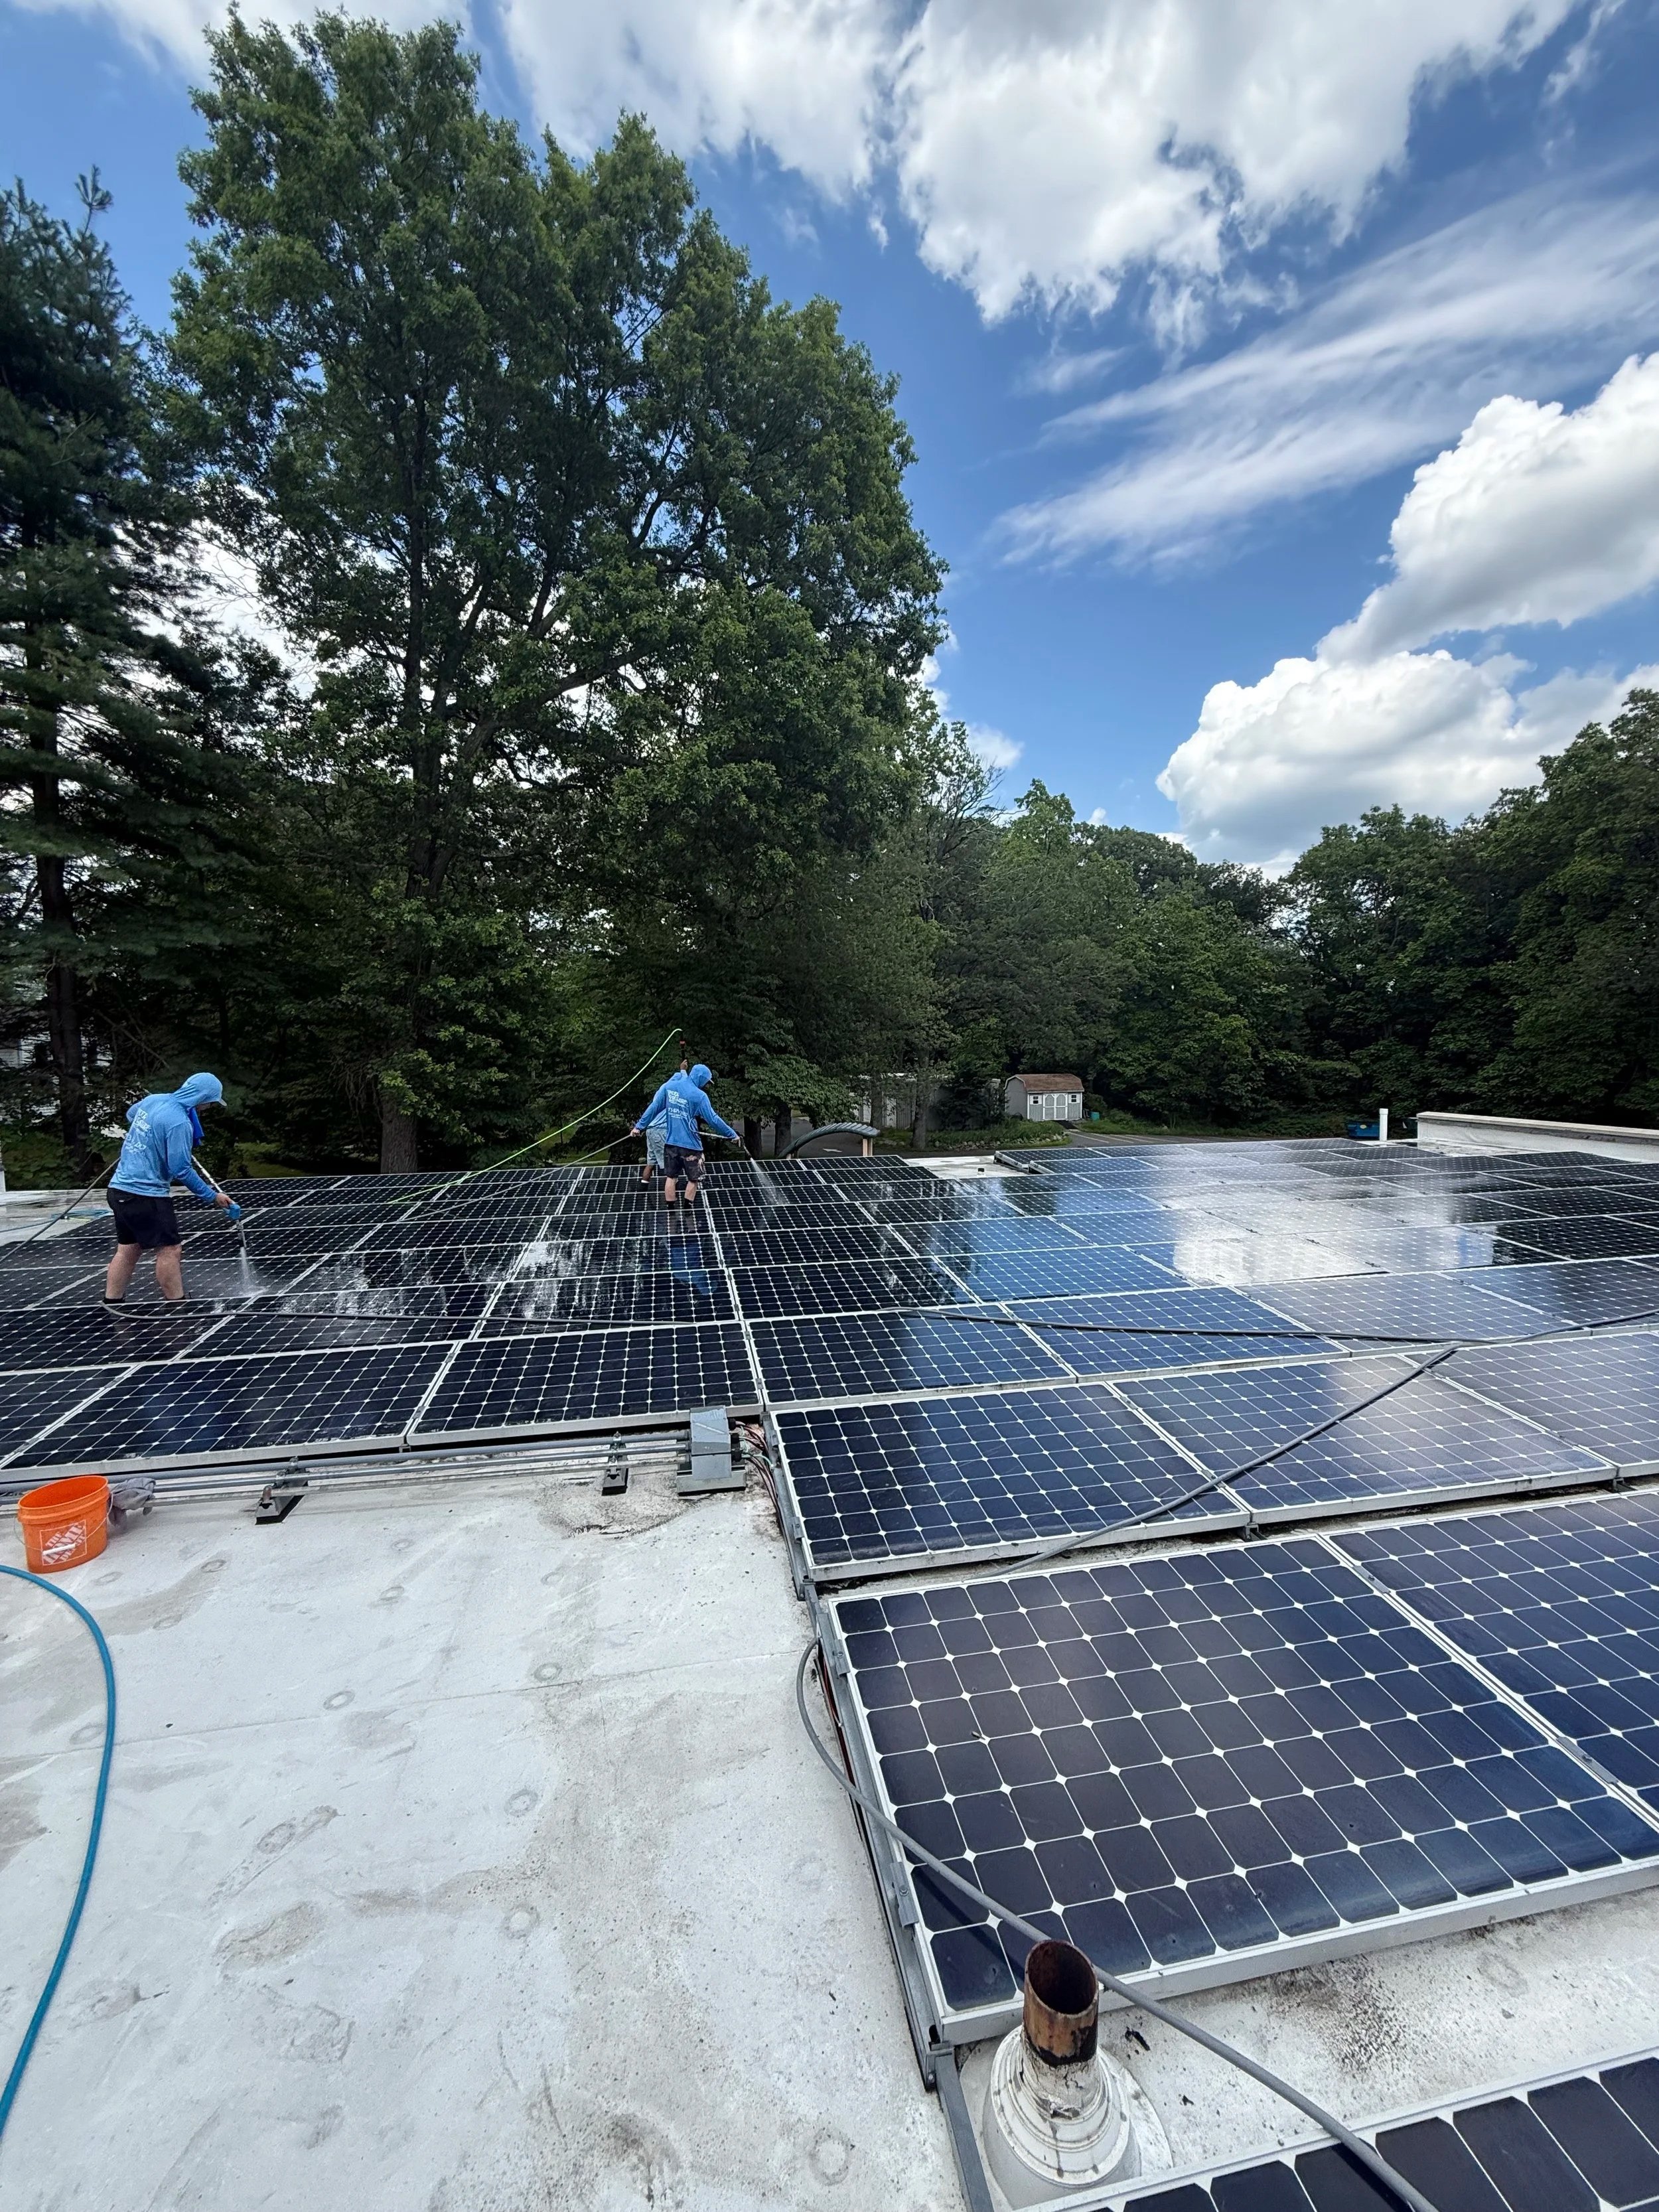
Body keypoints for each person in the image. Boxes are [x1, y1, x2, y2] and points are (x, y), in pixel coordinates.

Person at [103, 1072, 240, 1305]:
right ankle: (178, 1305)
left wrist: (151, 1136)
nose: (207, 1108)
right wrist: (212, 1196)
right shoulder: (178, 1122)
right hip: (145, 1195)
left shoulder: (154, 1100)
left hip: (119, 1191)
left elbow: (131, 1115)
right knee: (170, 1250)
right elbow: (181, 1169)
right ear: (201, 1098)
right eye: (209, 1102)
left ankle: (112, 1302)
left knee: (129, 1250)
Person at [631, 1061, 739, 1207]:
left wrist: (639, 1127)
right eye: (706, 1082)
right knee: (693, 1179)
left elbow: (654, 1107)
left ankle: (671, 1210)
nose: (705, 1085)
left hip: (671, 1144)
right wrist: (732, 1134)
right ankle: (688, 1209)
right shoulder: (700, 1096)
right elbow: (713, 1120)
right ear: (701, 1079)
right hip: (691, 1146)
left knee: (671, 1177)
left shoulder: (670, 1088)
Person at [639, 1051, 689, 1185]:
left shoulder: (663, 1089)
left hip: (651, 1130)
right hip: (661, 1131)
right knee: (670, 1167)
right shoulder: (675, 1093)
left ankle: (642, 1193)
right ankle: (670, 1198)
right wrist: (683, 1071)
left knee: (651, 1163)